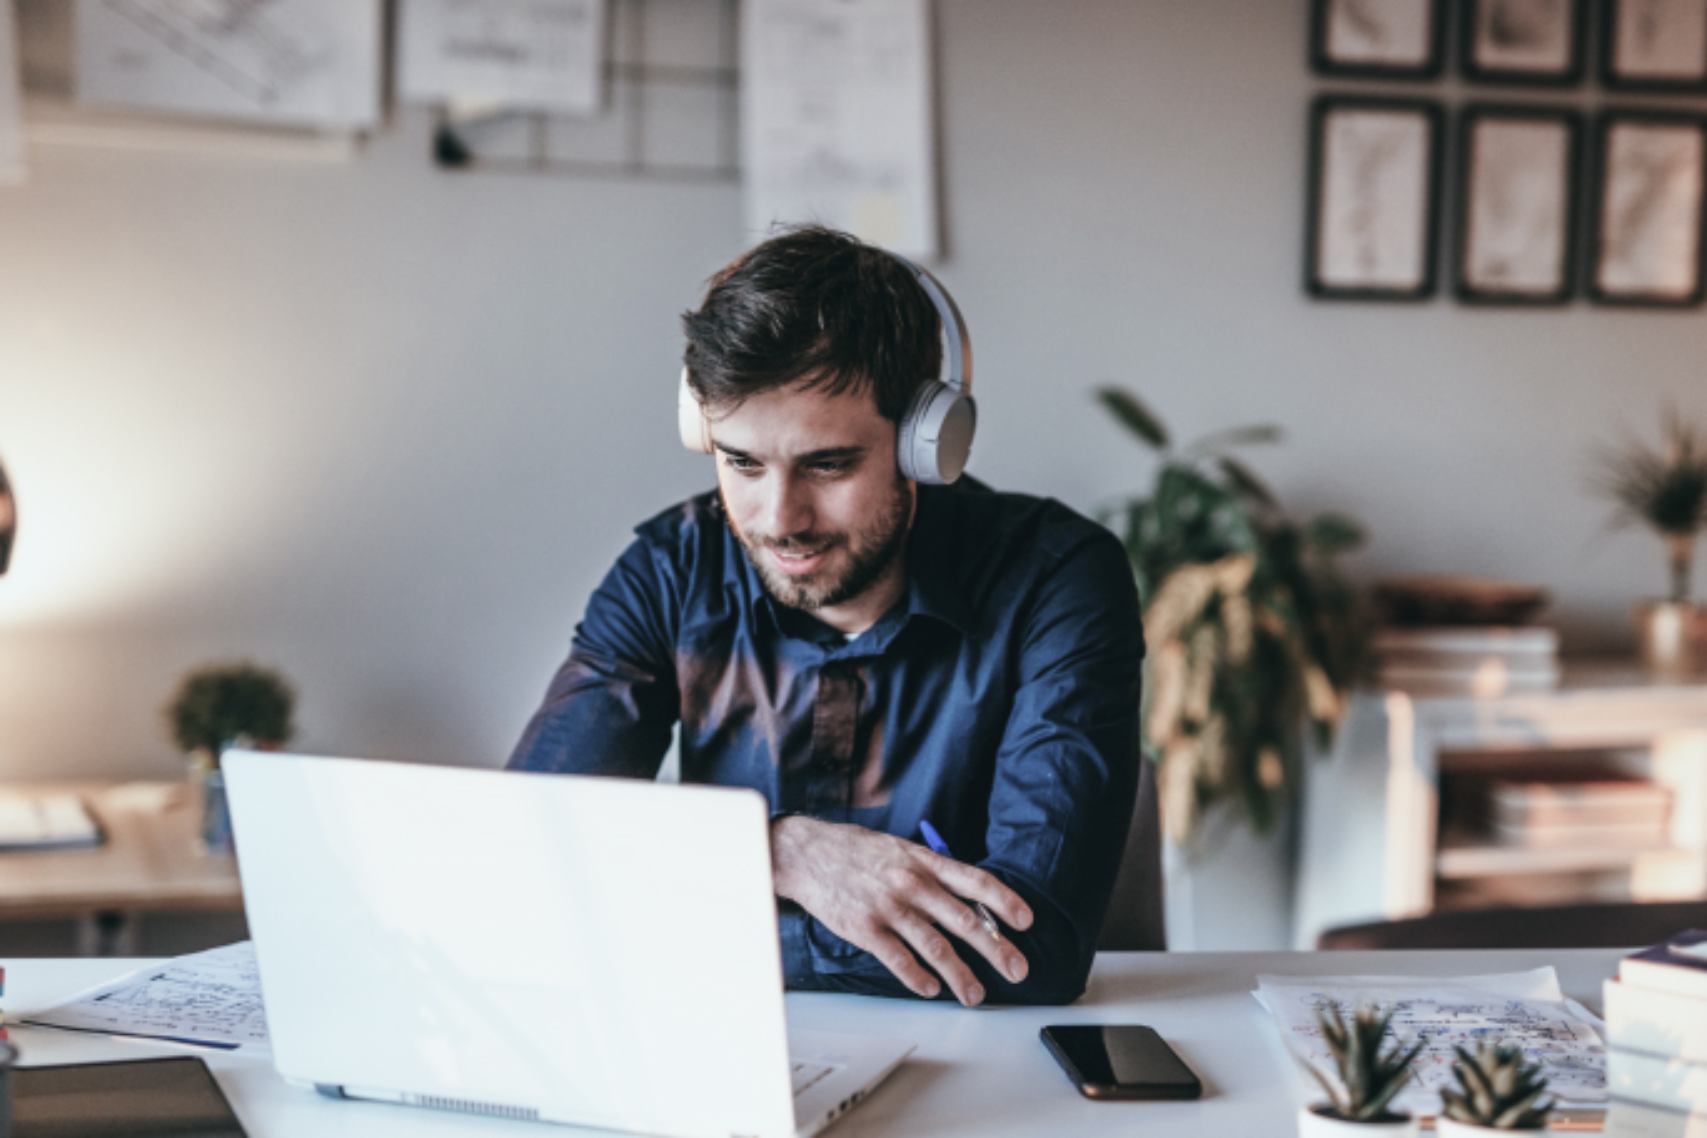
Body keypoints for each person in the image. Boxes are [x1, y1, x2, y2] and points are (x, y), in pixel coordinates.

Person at [509, 225, 1146, 1006]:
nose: (780, 519)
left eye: (828, 465)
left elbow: (1029, 948)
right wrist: (772, 851)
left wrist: (691, 912)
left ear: (925, 446)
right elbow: (531, 855)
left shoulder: (1056, 579)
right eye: (741, 462)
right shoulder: (669, 569)